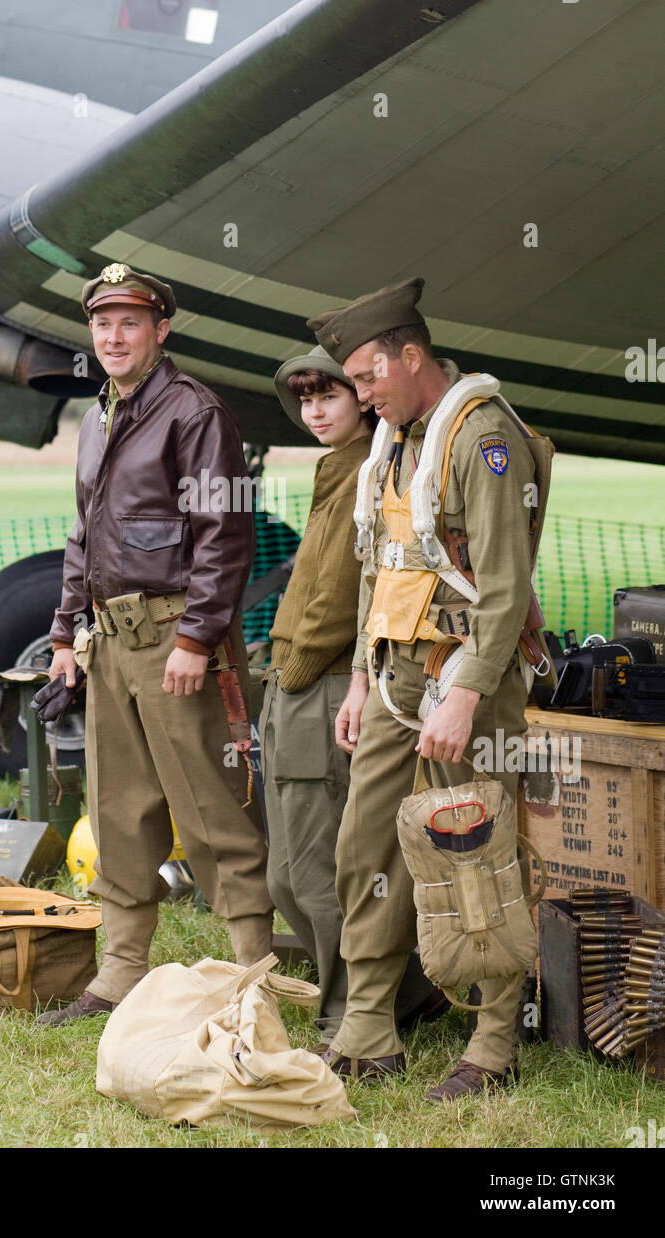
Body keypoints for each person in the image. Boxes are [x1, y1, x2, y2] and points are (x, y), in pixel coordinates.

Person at [306, 275, 550, 1099]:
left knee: (473, 849)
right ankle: (369, 1028)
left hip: (462, 679)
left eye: (369, 376)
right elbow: (382, 572)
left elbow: (507, 586)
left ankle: (492, 1044)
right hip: (391, 675)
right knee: (364, 848)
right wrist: (355, 683)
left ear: (412, 357)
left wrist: (467, 694)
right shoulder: (398, 442)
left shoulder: (483, 437)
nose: (360, 394)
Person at [37, 262, 273, 1025]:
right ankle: (120, 972)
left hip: (175, 640)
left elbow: (224, 537)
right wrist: (65, 635)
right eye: (102, 323)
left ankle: (256, 977)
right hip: (108, 643)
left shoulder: (194, 411)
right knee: (118, 810)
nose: (112, 336)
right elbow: (85, 535)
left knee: (210, 809)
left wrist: (199, 639)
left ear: (160, 329)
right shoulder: (99, 415)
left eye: (129, 322)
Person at [262, 347, 446, 1046]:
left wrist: (301, 664)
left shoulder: (370, 473)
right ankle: (405, 993)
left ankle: (358, 1014)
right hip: (294, 678)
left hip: (326, 679)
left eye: (328, 396)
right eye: (303, 398)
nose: (313, 410)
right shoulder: (340, 468)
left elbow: (343, 592)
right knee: (286, 875)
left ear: (362, 399)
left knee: (321, 871)